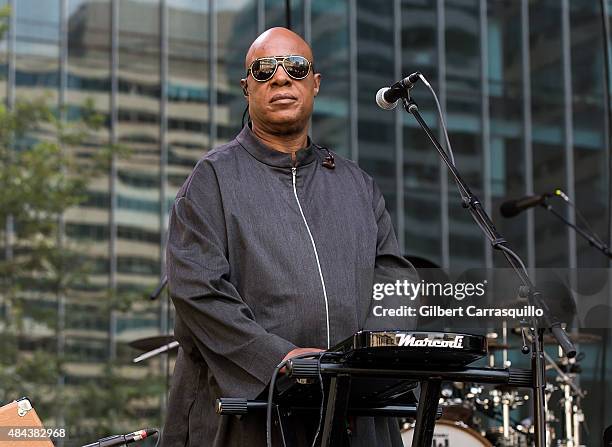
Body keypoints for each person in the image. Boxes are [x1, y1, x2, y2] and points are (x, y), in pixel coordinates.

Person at [161, 27, 415, 447]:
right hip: (248, 418)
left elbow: (397, 282)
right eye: (264, 70)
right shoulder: (213, 179)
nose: (280, 78)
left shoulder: (357, 185)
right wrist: (276, 358)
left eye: (295, 67)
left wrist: (368, 363)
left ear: (314, 83)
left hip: (353, 414)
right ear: (247, 88)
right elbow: (197, 291)